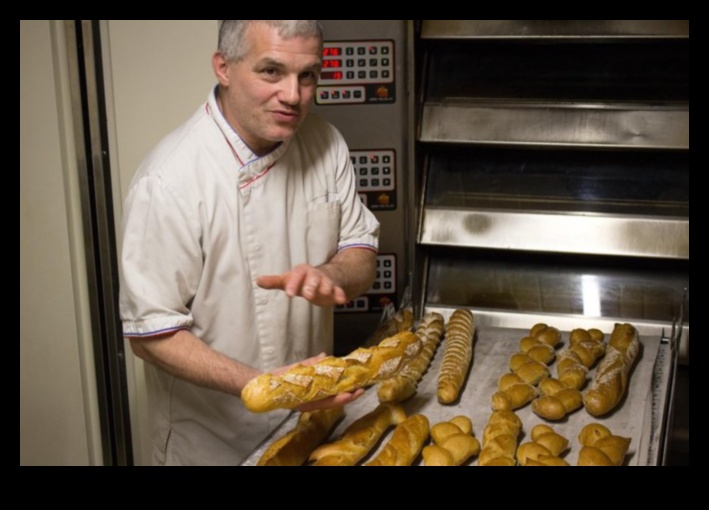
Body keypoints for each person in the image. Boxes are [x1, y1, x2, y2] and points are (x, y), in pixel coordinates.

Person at [119, 20, 380, 466]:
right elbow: (151, 334)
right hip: (213, 442)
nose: (293, 95)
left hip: (311, 421)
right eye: (271, 72)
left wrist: (331, 275)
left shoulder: (325, 143)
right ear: (223, 67)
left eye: (308, 75)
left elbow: (360, 252)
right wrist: (270, 387)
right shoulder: (169, 182)